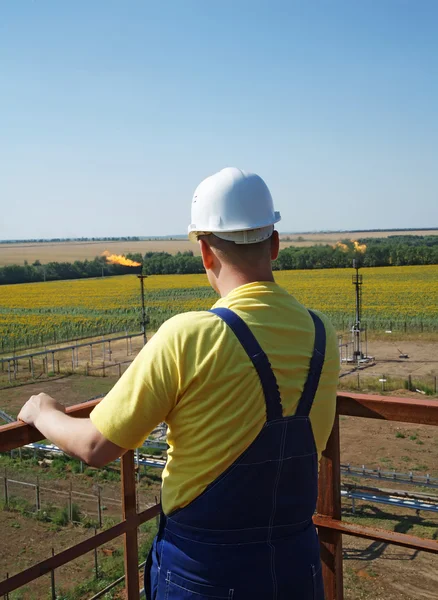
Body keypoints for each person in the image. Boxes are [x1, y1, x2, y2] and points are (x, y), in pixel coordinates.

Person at [18, 167, 339, 599]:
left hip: (204, 574)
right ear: (275, 244)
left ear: (205, 253)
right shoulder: (324, 334)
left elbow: (97, 446)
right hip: (297, 569)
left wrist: (43, 412)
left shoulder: (190, 336)